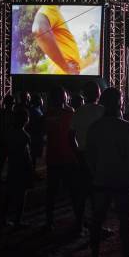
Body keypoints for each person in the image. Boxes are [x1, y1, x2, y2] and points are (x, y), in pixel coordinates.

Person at [87, 88, 129, 257]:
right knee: (125, 221)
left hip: (101, 179)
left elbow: (90, 155)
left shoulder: (95, 127)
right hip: (122, 181)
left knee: (97, 220)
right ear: (119, 103)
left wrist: (95, 172)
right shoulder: (128, 127)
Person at [44, 86, 82, 233]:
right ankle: (79, 224)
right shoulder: (71, 114)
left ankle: (49, 223)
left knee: (51, 193)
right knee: (74, 193)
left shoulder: (47, 115)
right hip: (69, 158)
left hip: (54, 158)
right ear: (65, 98)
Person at [70, 81, 105, 231]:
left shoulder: (78, 112)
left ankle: (79, 226)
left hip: (83, 156)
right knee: (97, 195)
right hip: (99, 157)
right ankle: (97, 226)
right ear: (98, 94)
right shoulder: (104, 111)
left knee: (82, 194)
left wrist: (77, 153)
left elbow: (70, 136)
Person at [2, 108, 33, 228]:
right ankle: (17, 220)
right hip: (22, 168)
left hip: (12, 166)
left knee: (9, 194)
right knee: (21, 196)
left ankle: (4, 218)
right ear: (26, 120)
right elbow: (27, 156)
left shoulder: (10, 133)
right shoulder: (25, 136)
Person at [32, 5, 81, 74]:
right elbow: (38, 29)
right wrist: (66, 67)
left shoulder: (54, 11)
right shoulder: (50, 7)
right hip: (64, 73)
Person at [0, 94, 15, 191]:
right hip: (9, 143)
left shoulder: (0, 114)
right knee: (12, 165)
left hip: (1, 143)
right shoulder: (14, 115)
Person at [27, 94, 45, 171]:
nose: (42, 100)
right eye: (41, 99)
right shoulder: (33, 110)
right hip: (34, 136)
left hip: (37, 135)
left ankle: (32, 171)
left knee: (34, 156)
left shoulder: (38, 109)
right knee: (32, 155)